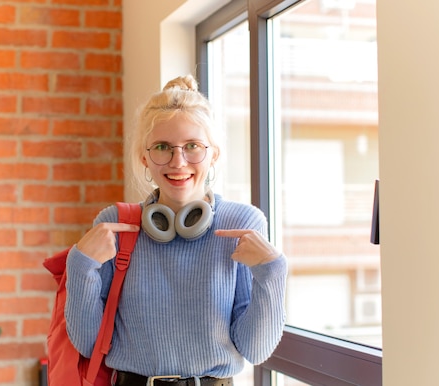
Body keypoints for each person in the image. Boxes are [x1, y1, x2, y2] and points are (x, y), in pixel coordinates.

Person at [65, 75, 287, 386]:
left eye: (193, 146)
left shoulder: (241, 223)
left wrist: (272, 271)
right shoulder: (115, 224)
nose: (178, 162)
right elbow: (87, 344)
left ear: (213, 154)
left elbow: (255, 349)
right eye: (162, 147)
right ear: (145, 157)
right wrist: (80, 265)